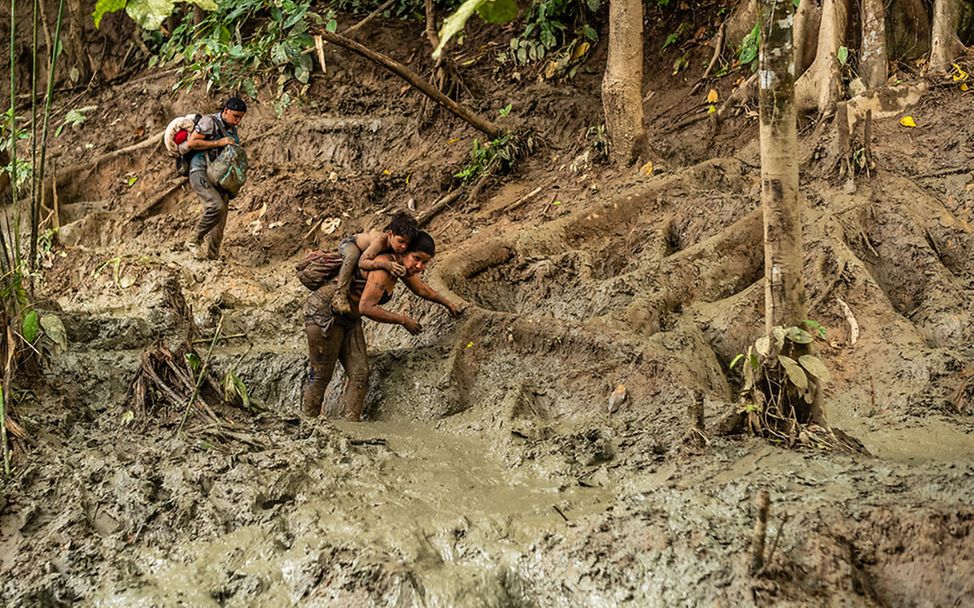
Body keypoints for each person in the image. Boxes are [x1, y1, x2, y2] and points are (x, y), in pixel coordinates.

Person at [303, 231, 460, 421]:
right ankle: (308, 425)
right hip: (325, 312)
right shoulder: (384, 267)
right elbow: (366, 307)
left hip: (350, 319)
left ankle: (349, 429)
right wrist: (402, 320)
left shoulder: (400, 267)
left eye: (424, 263)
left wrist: (449, 304)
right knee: (320, 376)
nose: (420, 267)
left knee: (360, 374)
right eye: (416, 259)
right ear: (404, 252)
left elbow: (422, 289)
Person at [184, 97, 247, 260]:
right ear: (225, 111)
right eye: (235, 116)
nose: (238, 121)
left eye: (241, 117)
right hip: (199, 170)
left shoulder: (232, 129)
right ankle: (193, 240)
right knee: (216, 206)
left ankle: (213, 257)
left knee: (221, 221)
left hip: (219, 177)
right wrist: (219, 142)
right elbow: (192, 143)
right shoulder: (208, 122)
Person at [331, 211, 418, 314]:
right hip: (351, 244)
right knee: (353, 256)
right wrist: (386, 265)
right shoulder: (379, 242)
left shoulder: (397, 247)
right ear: (390, 234)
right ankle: (340, 294)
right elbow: (362, 262)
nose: (404, 246)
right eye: (401, 241)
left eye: (407, 244)